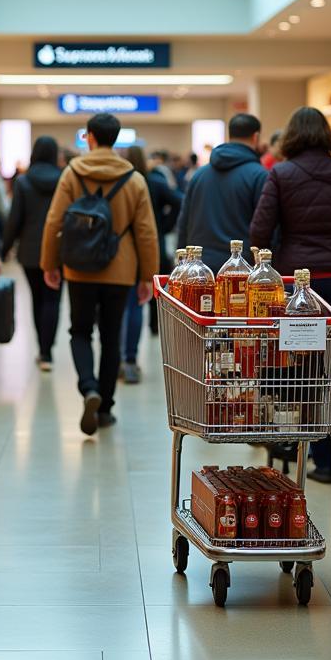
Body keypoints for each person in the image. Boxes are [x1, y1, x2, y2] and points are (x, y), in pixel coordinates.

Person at [249, 106, 331, 484]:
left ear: (291, 136)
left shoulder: (281, 174)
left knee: (309, 367)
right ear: (327, 135)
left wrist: (271, 267)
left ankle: (322, 460)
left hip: (298, 285)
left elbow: (259, 231)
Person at [40, 113, 159, 434]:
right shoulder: (134, 179)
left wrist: (49, 264)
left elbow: (54, 221)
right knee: (110, 338)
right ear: (116, 138)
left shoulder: (72, 174)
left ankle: (88, 387)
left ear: (89, 136)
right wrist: (149, 276)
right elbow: (146, 232)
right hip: (120, 270)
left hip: (79, 268)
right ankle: (105, 407)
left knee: (79, 331)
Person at [119, 145, 182, 382]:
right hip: (149, 247)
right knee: (137, 304)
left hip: (121, 251)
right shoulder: (154, 182)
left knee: (117, 307)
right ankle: (131, 359)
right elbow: (179, 201)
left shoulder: (121, 184)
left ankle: (117, 361)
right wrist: (163, 226)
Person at [176, 114, 269, 273]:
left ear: (229, 135)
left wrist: (182, 263)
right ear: (256, 137)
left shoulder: (199, 175)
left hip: (200, 270)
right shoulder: (259, 175)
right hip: (241, 270)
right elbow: (264, 227)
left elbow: (184, 222)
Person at [1, 135, 63, 371]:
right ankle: (48, 351)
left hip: (30, 250)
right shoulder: (64, 180)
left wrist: (3, 249)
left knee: (37, 299)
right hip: (58, 250)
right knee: (53, 299)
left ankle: (42, 349)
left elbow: (14, 220)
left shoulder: (23, 182)